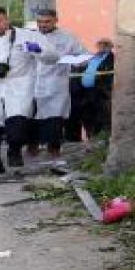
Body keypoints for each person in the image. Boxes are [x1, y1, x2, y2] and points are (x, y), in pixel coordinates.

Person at [0, 6, 59, 174]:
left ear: (7, 19)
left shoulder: (29, 36)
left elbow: (53, 57)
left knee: (17, 127)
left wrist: (38, 50)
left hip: (19, 85)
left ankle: (14, 151)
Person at [29, 9, 86, 158]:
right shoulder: (29, 36)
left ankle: (53, 148)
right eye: (40, 22)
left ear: (55, 20)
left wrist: (71, 61)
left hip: (56, 82)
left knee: (55, 117)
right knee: (31, 116)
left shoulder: (68, 37)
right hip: (32, 82)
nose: (43, 25)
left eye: (47, 21)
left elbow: (83, 56)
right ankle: (32, 146)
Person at [68, 37, 115, 140]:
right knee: (87, 117)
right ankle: (91, 137)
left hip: (100, 92)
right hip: (86, 93)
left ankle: (101, 139)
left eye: (106, 44)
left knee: (101, 117)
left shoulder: (112, 59)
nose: (102, 46)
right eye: (100, 44)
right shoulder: (93, 57)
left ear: (111, 46)